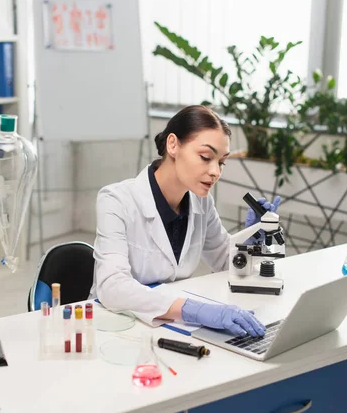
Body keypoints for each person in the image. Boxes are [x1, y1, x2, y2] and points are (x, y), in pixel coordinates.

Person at [89, 105, 280, 337]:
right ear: (173, 145)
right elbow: (112, 287)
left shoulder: (202, 202)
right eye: (206, 157)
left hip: (169, 328)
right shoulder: (116, 200)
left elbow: (223, 261)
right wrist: (194, 310)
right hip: (114, 325)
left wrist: (249, 238)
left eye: (221, 162)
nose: (215, 172)